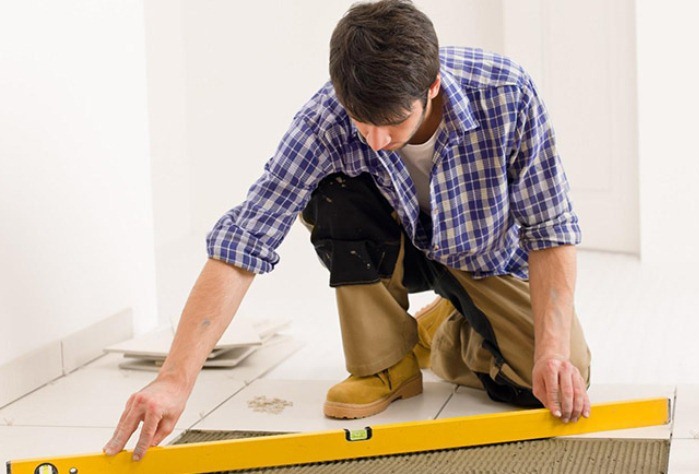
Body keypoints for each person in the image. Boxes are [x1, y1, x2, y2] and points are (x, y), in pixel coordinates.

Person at [104, 0, 591, 461]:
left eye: (393, 122)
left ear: (432, 86)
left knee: (552, 379)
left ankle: (441, 328)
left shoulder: (506, 93)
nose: (376, 141)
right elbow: (243, 242)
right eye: (362, 122)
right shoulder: (324, 120)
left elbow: (549, 228)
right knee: (335, 191)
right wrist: (174, 380)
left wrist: (550, 352)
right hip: (391, 245)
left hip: (481, 258)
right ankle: (386, 363)